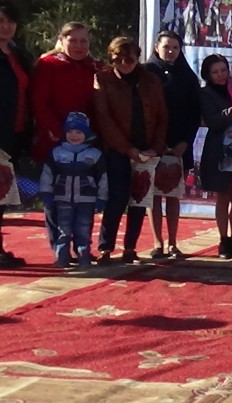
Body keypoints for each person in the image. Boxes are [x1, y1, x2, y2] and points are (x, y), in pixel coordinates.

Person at [92, 37, 168, 265]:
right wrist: (127, 149)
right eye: (118, 60)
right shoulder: (103, 79)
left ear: (138, 58)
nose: (124, 64)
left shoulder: (151, 80)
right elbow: (104, 119)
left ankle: (130, 248)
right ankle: (105, 248)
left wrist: (156, 147)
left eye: (130, 59)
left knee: (139, 199)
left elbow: (162, 116)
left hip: (146, 149)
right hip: (118, 148)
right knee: (117, 197)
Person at [29, 21, 102, 251]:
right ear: (62, 41)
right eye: (74, 41)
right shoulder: (48, 65)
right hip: (55, 141)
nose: (79, 46)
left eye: (84, 41)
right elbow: (39, 103)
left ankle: (82, 246)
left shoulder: (94, 67)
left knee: (84, 197)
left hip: (86, 144)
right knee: (56, 197)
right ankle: (60, 247)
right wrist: (59, 134)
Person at [144, 31, 201, 259]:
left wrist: (185, 142)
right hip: (151, 144)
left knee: (173, 195)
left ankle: (173, 243)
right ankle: (157, 243)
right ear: (156, 47)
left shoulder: (188, 77)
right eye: (166, 47)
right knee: (153, 195)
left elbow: (194, 114)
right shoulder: (146, 73)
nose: (170, 51)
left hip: (179, 145)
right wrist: (153, 142)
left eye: (175, 47)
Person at [198, 54, 232, 259]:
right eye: (215, 72)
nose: (220, 75)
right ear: (208, 75)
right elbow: (213, 121)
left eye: (223, 70)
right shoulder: (205, 93)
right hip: (219, 150)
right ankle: (223, 241)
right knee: (223, 196)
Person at [39, 112, 107, 267]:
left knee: (83, 229)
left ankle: (84, 255)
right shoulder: (57, 153)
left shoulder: (95, 154)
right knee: (64, 229)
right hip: (62, 199)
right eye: (69, 131)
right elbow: (47, 174)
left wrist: (101, 198)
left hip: (86, 199)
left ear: (87, 134)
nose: (73, 135)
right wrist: (46, 193)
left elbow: (103, 178)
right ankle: (62, 256)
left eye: (78, 132)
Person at [0, 0, 32, 268]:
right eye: (1, 21)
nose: (7, 26)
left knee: (2, 194)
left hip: (15, 133)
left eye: (11, 21)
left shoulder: (18, 54)